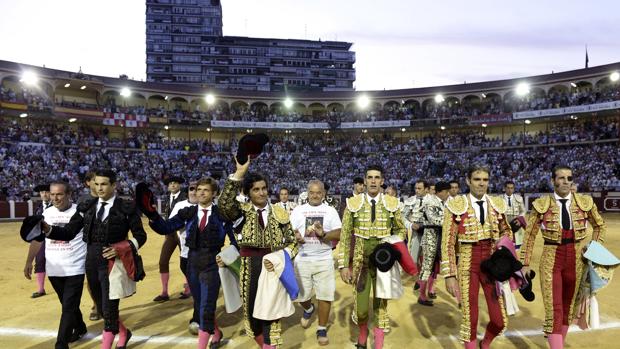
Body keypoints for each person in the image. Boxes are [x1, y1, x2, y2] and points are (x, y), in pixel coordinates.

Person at [41, 169, 147, 349]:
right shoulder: (87, 207)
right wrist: (47, 228)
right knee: (102, 306)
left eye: (104, 184)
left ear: (114, 185)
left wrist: (122, 247)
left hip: (113, 264)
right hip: (91, 262)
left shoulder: (126, 207)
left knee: (109, 308)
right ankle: (123, 332)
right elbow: (68, 232)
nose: (99, 188)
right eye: (96, 184)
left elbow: (140, 236)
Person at [520, 165, 606, 349]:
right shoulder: (542, 204)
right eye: (561, 178)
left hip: (576, 260)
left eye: (569, 178)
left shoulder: (584, 202)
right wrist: (525, 263)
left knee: (569, 309)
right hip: (551, 259)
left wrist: (593, 249)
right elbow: (529, 235)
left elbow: (599, 226)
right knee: (554, 310)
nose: (566, 181)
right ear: (553, 181)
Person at [217, 157, 298, 349]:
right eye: (256, 189)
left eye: (264, 188)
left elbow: (292, 243)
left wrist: (280, 258)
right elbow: (223, 204)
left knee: (271, 317)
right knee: (252, 317)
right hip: (249, 267)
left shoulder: (280, 213)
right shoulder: (240, 211)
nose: (261, 193)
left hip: (273, 267)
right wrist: (239, 174)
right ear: (248, 192)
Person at [147, 177, 237, 349]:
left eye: (205, 190)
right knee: (201, 304)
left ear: (214, 194)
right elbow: (165, 228)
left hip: (212, 264)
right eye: (198, 189)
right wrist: (152, 215)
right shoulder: (187, 212)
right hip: (192, 264)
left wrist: (225, 256)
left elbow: (236, 242)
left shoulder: (222, 215)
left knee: (205, 307)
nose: (200, 192)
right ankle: (216, 333)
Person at [441, 166, 513, 349]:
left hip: (491, 264)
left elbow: (506, 231)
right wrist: (450, 275)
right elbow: (448, 242)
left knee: (500, 320)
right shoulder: (456, 205)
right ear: (468, 181)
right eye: (477, 179)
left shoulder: (496, 204)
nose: (482, 183)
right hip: (467, 263)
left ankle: (485, 342)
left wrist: (504, 254)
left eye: (485, 180)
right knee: (470, 316)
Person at [339, 164, 406, 349]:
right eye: (370, 177)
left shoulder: (392, 203)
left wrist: (391, 243)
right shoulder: (353, 203)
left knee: (381, 303)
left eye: (377, 177)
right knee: (361, 308)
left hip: (384, 262)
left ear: (382, 181)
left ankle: (378, 338)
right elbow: (345, 236)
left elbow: (401, 230)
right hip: (361, 263)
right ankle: (363, 330)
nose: (373, 181)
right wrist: (344, 265)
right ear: (365, 180)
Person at [25, 181, 87, 349]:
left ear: (68, 194)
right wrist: (29, 260)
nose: (55, 198)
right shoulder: (47, 213)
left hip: (75, 266)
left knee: (67, 306)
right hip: (54, 268)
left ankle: (61, 344)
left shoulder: (80, 212)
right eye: (52, 194)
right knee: (68, 303)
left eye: (59, 194)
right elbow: (38, 239)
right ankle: (80, 327)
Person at [290, 180, 341, 346]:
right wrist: (296, 236)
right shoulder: (298, 210)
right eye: (312, 192)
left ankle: (322, 328)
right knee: (300, 296)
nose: (315, 195)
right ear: (307, 193)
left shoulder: (330, 210)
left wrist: (324, 234)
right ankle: (308, 308)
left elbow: (340, 233)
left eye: (318, 192)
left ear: (323, 194)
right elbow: (289, 232)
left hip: (324, 258)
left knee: (325, 295)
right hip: (302, 258)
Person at [154, 176, 188, 302]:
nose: (173, 185)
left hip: (182, 232)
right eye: (170, 184)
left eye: (175, 183)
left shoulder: (185, 198)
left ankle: (188, 287)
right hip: (170, 233)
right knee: (163, 261)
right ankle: (164, 292)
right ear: (167, 187)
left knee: (185, 261)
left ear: (179, 185)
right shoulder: (167, 198)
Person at [417, 181, 451, 306]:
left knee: (435, 266)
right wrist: (450, 222)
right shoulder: (430, 202)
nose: (448, 194)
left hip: (439, 237)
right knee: (427, 266)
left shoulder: (442, 202)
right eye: (446, 192)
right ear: (440, 192)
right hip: (430, 237)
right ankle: (421, 296)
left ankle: (430, 290)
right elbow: (434, 220)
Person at [26, 183, 52, 298]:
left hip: (55, 238)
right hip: (42, 239)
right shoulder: (38, 208)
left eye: (46, 192)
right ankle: (41, 289)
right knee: (40, 260)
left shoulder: (58, 206)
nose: (44, 194)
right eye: (42, 192)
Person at [502, 181, 527, 249]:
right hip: (504, 222)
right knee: (504, 244)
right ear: (504, 188)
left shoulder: (519, 198)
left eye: (511, 188)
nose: (510, 190)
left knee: (517, 245)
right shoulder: (500, 199)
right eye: (508, 188)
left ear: (514, 189)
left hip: (516, 221)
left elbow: (523, 211)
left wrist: (519, 219)